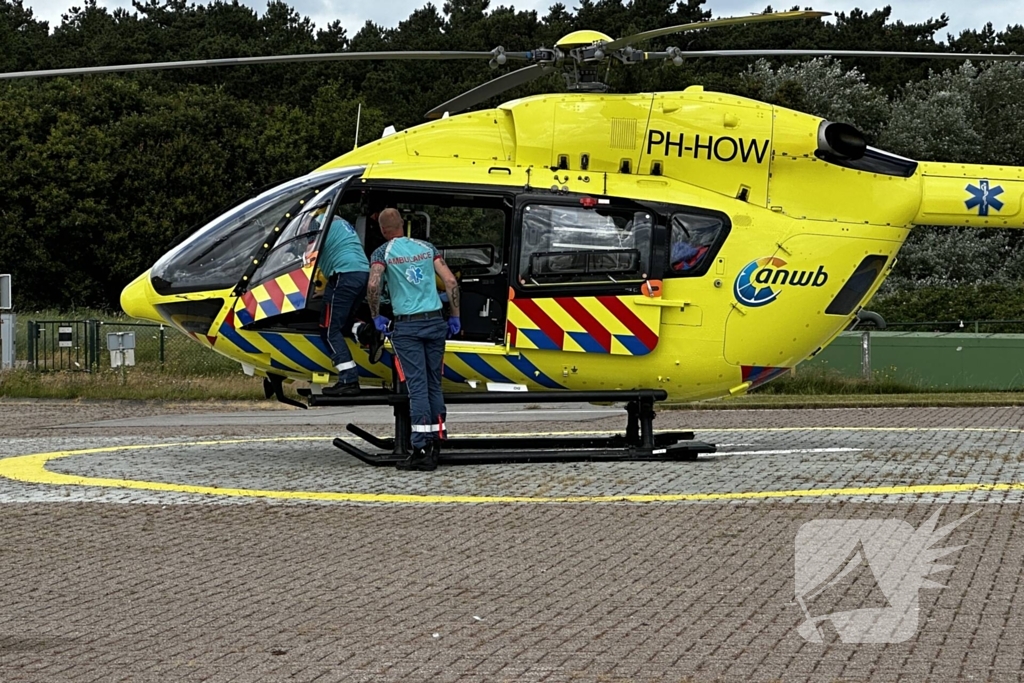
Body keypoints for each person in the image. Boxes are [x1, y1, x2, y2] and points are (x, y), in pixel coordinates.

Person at [367, 208, 460, 471]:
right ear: (403, 225)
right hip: (435, 322)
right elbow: (451, 281)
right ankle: (436, 439)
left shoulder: (382, 252)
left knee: (417, 386)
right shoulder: (427, 247)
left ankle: (420, 449)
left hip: (408, 326)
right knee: (434, 384)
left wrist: (375, 316)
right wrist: (455, 316)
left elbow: (374, 285)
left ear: (384, 230)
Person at [318, 213, 371, 396]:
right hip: (362, 273)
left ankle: (348, 379)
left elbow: (306, 254)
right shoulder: (339, 221)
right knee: (343, 319)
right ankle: (365, 332)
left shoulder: (315, 224)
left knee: (329, 329)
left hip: (344, 274)